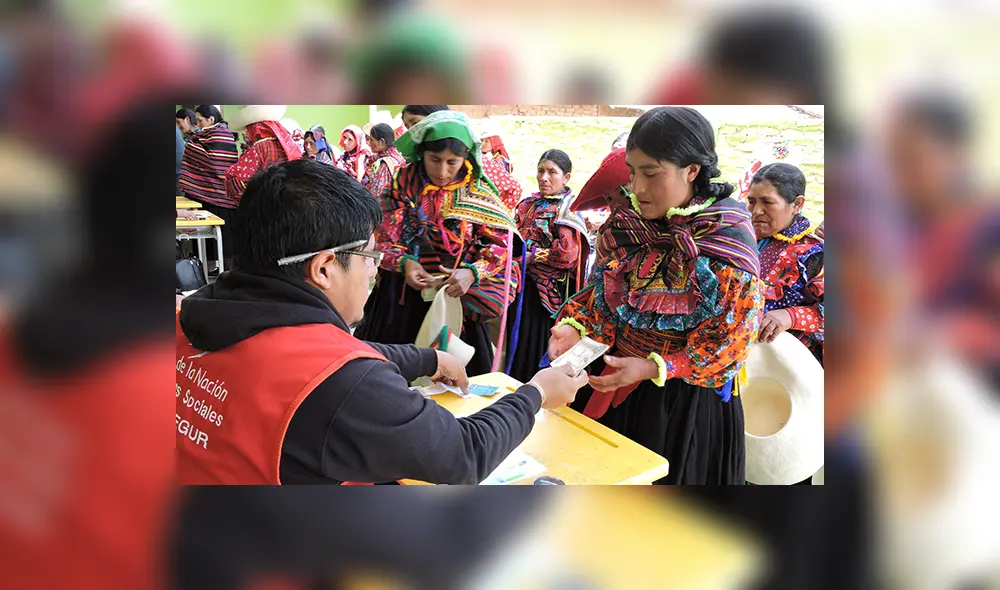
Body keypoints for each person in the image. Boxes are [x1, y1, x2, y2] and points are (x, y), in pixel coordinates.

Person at [176, 159, 587, 484]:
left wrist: (428, 359)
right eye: (370, 257)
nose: (375, 271)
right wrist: (534, 394)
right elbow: (464, 454)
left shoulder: (188, 320)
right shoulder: (345, 388)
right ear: (323, 268)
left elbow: (306, 361)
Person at [549, 106, 763, 485]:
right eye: (632, 172)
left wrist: (652, 367)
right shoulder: (632, 228)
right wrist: (576, 328)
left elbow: (730, 344)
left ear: (692, 171)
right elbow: (603, 300)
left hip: (681, 406)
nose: (638, 188)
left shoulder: (726, 241)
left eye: (651, 173)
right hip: (619, 385)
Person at [357, 111, 521, 377]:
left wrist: (472, 272)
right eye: (434, 160)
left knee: (455, 382)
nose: (442, 171)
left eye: (452, 162)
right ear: (422, 153)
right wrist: (405, 262)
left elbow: (501, 244)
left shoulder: (479, 191)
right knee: (398, 375)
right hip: (402, 300)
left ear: (465, 158)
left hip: (458, 300)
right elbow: (385, 234)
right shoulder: (402, 182)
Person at [504, 149, 589, 383]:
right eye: (541, 171)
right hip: (520, 285)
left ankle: (537, 389)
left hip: (547, 296)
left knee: (536, 342)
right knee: (516, 338)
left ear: (566, 178)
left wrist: (533, 256)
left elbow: (568, 254)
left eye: (553, 172)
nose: (544, 177)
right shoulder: (527, 205)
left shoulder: (567, 210)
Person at [747, 163, 824, 362]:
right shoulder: (741, 240)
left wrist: (789, 316)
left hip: (784, 368)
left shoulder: (814, 253)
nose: (756, 211)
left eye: (767, 202)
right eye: (752, 201)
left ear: (797, 204)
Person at [177, 105, 240, 268]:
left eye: (200, 120)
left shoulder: (221, 135)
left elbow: (215, 162)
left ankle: (225, 269)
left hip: (220, 195)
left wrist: (193, 143)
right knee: (205, 238)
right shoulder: (203, 136)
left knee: (224, 239)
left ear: (211, 119)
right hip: (203, 194)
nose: (197, 124)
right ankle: (208, 267)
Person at [225, 105, 302, 203]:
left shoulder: (260, 147)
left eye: (248, 129)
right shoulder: (287, 143)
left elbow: (239, 176)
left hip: (265, 200)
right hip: (286, 199)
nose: (246, 133)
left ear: (255, 128)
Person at [361, 122, 405, 202]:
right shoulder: (397, 157)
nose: (369, 143)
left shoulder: (384, 164)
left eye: (371, 139)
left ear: (381, 142)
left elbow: (376, 194)